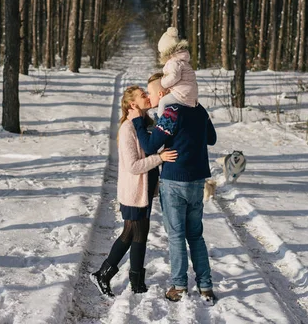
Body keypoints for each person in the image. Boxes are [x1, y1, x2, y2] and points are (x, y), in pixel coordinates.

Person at [128, 73, 218, 304]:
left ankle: (179, 286)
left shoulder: (171, 112)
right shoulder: (198, 109)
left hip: (175, 180)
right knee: (195, 235)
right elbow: (212, 138)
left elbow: (149, 146)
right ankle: (205, 286)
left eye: (150, 92)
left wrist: (138, 121)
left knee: (177, 236)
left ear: (162, 93)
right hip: (197, 181)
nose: (148, 96)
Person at [90, 85, 178, 298]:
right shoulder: (127, 129)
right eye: (143, 96)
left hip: (144, 191)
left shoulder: (144, 124)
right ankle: (105, 274)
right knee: (131, 234)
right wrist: (160, 158)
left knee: (140, 234)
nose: (147, 97)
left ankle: (135, 281)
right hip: (133, 192)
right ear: (132, 104)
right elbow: (133, 166)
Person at [156, 27, 199, 118]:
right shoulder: (182, 61)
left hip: (183, 94)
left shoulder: (173, 62)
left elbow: (174, 77)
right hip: (190, 94)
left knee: (163, 102)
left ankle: (160, 122)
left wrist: (163, 82)